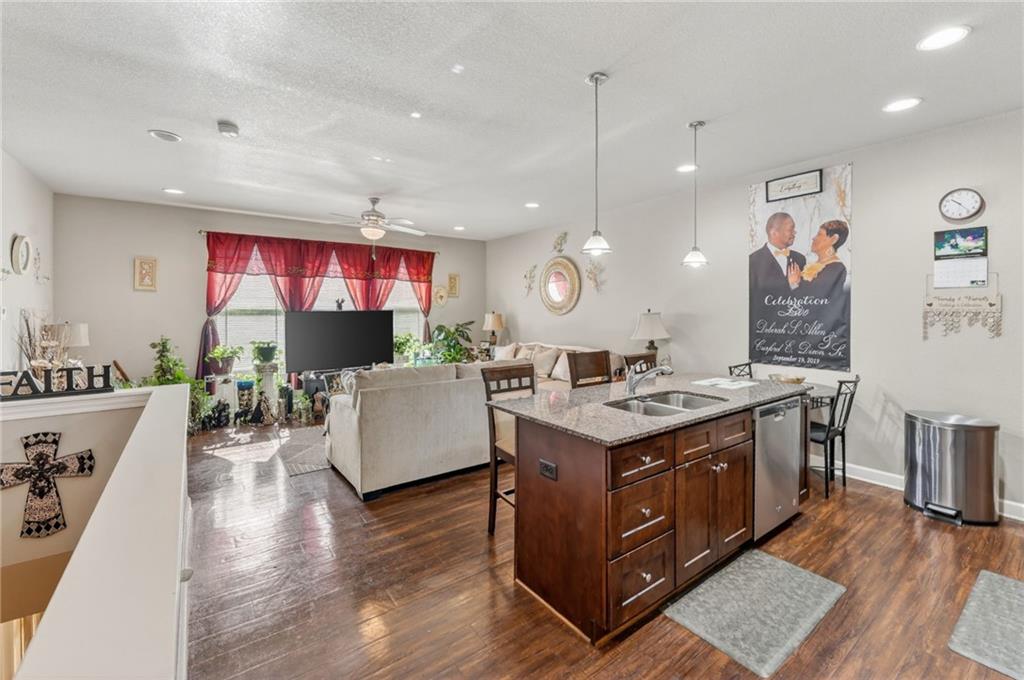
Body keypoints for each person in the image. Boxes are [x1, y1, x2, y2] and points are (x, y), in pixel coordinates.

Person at [749, 212, 806, 294]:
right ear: (774, 233)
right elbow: (755, 297)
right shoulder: (753, 261)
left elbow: (804, 294)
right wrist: (792, 285)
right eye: (790, 229)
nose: (794, 232)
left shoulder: (800, 259)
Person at [788, 219, 849, 295]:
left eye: (819, 234)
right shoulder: (814, 265)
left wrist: (793, 284)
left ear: (833, 239)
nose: (813, 238)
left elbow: (814, 297)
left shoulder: (836, 268)